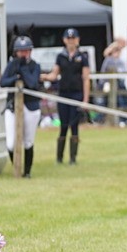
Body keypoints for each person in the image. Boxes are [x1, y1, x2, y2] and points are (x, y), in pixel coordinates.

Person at [43, 27, 91, 164]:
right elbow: (54, 74)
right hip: (63, 94)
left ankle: (73, 158)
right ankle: (59, 157)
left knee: (74, 125)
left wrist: (85, 100)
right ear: (64, 40)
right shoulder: (60, 56)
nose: (71, 42)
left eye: (73, 39)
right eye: (69, 39)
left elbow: (86, 78)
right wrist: (42, 77)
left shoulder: (82, 57)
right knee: (63, 125)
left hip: (76, 94)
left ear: (77, 40)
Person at [0, 36, 42, 178]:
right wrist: (15, 78)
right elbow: (3, 82)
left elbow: (32, 83)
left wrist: (22, 71)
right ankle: (17, 167)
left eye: (26, 51)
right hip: (12, 107)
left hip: (30, 106)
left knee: (28, 141)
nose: (23, 54)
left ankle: (27, 172)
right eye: (20, 51)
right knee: (10, 143)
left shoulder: (35, 66)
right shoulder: (12, 65)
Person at [99, 37, 127, 114]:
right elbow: (106, 53)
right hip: (107, 82)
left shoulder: (120, 60)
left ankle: (124, 116)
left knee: (123, 97)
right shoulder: (109, 59)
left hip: (119, 82)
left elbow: (125, 70)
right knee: (108, 99)